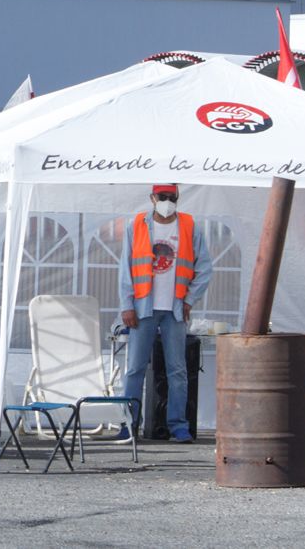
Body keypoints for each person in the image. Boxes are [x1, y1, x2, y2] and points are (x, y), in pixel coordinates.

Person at [119, 184, 212, 444]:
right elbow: (126, 269)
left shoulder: (189, 226)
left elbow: (204, 268)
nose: (168, 202)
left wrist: (189, 299)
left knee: (178, 371)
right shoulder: (136, 225)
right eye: (163, 197)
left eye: (172, 198)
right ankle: (128, 424)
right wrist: (127, 305)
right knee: (135, 368)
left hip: (175, 310)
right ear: (152, 198)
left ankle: (178, 427)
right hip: (142, 308)